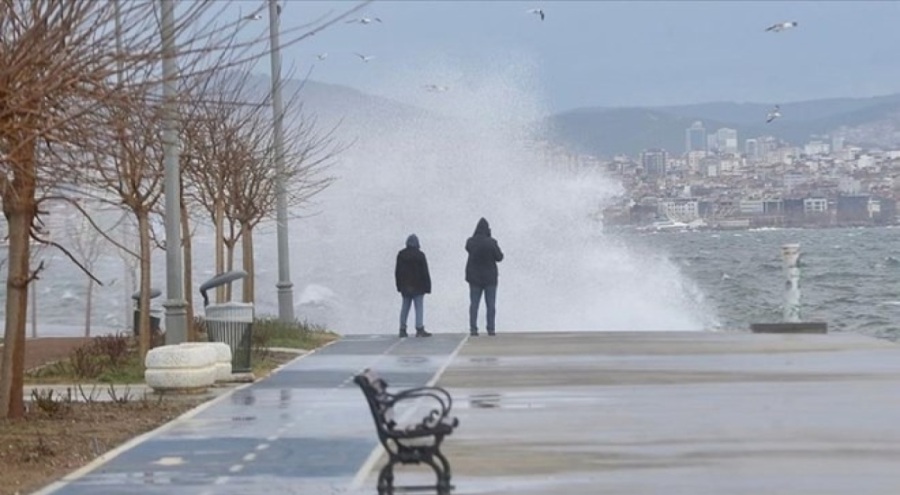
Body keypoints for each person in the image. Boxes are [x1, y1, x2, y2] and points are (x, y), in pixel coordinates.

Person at [465, 217, 504, 336]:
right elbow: (499, 257)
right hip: (490, 278)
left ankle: (473, 329)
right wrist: (490, 237)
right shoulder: (491, 242)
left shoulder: (471, 242)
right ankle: (491, 329)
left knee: (474, 304)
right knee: (490, 305)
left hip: (474, 278)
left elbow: (468, 248)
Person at [395, 234, 432, 338]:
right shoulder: (420, 255)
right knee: (419, 307)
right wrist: (428, 287)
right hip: (418, 286)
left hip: (405, 286)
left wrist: (399, 286)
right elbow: (425, 272)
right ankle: (419, 329)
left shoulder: (401, 255)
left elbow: (397, 272)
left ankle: (402, 329)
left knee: (405, 307)